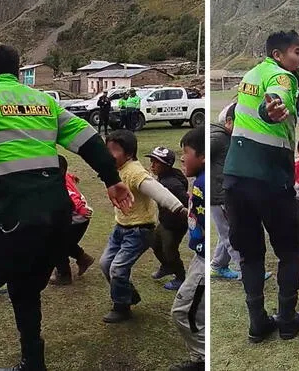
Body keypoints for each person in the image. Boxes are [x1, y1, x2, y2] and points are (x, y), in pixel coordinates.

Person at [0, 43, 133, 370]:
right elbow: (88, 138)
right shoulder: (44, 101)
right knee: (25, 288)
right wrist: (111, 178)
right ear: (18, 71)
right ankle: (33, 362)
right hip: (58, 215)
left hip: (17, 212)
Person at [224, 30, 299, 343]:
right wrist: (272, 112)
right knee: (289, 251)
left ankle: (257, 323)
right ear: (280, 56)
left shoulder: (252, 74)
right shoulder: (282, 78)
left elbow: (275, 88)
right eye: (298, 52)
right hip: (269, 179)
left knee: (250, 254)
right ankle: (286, 320)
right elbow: (276, 98)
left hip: (234, 178)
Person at [101, 130, 187, 323]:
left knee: (117, 268)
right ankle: (129, 295)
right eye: (107, 150)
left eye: (114, 150)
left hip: (139, 230)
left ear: (129, 153)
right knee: (105, 264)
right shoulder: (114, 167)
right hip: (120, 227)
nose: (109, 154)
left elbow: (158, 191)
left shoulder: (135, 171)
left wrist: (180, 209)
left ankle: (122, 306)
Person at [170, 126, 206, 371]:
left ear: (203, 156)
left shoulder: (207, 183)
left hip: (204, 261)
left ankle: (204, 358)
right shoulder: (199, 181)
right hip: (198, 255)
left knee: (182, 312)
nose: (182, 157)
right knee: (196, 312)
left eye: (187, 152)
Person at [146, 146, 189, 291]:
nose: (152, 165)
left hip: (175, 225)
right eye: (151, 161)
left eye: (156, 163)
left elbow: (185, 202)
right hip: (165, 221)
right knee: (155, 243)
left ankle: (180, 277)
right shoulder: (166, 176)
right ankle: (166, 267)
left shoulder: (172, 184)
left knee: (170, 250)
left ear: (166, 165)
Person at [49, 155, 96, 286]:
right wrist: (73, 177)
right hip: (76, 218)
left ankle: (64, 275)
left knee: (57, 245)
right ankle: (83, 259)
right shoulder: (63, 177)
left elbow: (73, 197)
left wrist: (81, 210)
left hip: (78, 218)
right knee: (62, 242)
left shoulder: (60, 185)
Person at [210, 103, 241, 279]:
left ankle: (217, 265)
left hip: (224, 191)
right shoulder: (218, 137)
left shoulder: (226, 136)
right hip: (218, 194)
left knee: (226, 231)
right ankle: (245, 270)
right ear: (229, 121)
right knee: (230, 233)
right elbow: (199, 156)